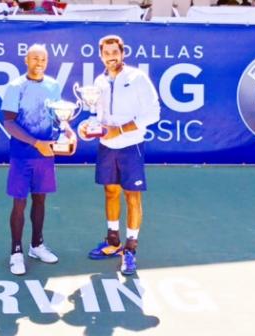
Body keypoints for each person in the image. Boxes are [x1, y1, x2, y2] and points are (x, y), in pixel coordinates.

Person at [81, 35, 160, 276]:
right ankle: (113, 241)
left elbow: (153, 113)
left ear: (122, 53)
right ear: (101, 55)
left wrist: (122, 130)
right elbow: (97, 116)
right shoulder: (99, 81)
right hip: (106, 146)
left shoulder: (137, 78)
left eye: (115, 52)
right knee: (110, 192)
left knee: (132, 197)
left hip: (131, 145)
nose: (111, 56)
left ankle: (131, 249)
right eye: (106, 53)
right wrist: (88, 128)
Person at [2, 44, 75, 275]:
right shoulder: (15, 86)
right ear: (26, 60)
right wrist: (36, 144)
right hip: (23, 154)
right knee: (19, 203)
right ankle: (16, 252)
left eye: (43, 59)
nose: (39, 62)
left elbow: (57, 119)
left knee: (40, 201)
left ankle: (36, 245)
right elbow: (9, 123)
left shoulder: (53, 85)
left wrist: (67, 131)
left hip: (46, 155)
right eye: (34, 58)